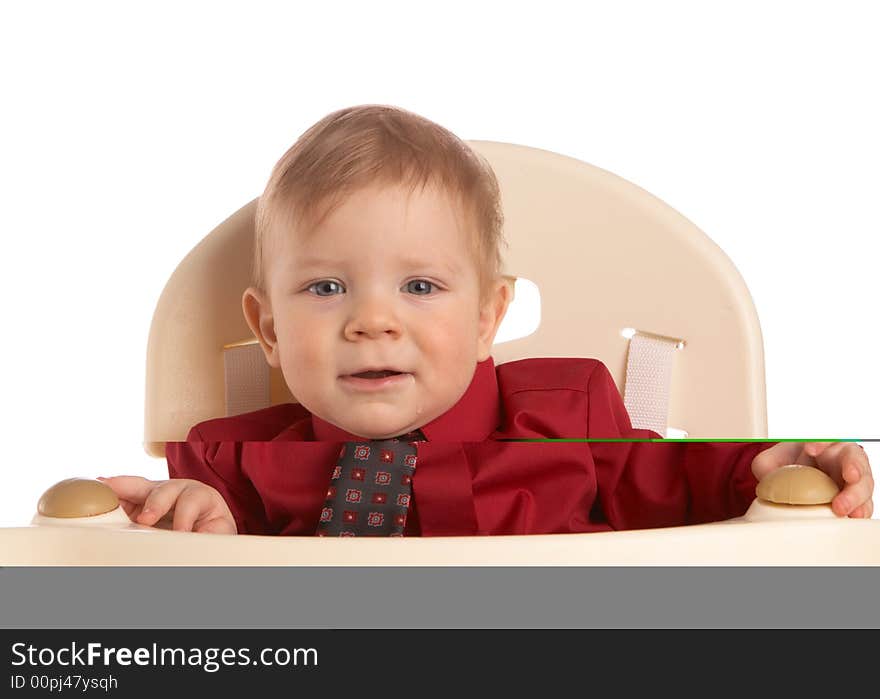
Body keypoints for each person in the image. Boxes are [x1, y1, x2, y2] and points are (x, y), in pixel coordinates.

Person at [101, 105, 874, 536]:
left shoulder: (568, 415)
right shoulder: (230, 470)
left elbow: (678, 478)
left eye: (421, 285)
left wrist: (769, 463)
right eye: (327, 286)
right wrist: (200, 537)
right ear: (267, 328)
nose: (373, 320)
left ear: (487, 317)